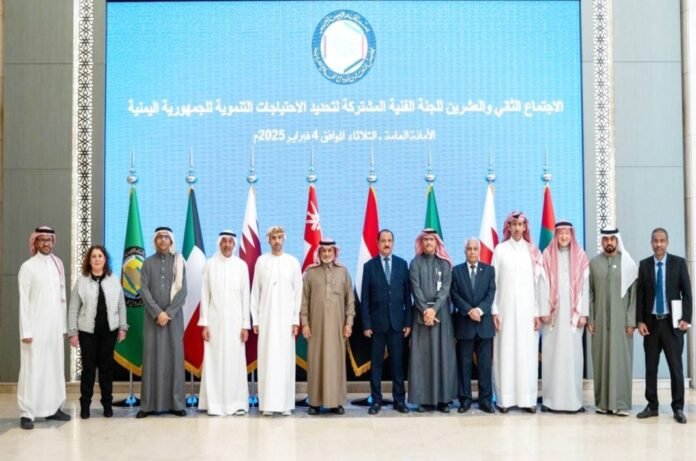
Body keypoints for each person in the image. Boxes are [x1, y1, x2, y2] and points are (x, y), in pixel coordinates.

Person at [491, 211, 547, 413]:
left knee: (527, 354)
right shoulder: (500, 250)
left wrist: (537, 312)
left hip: (528, 313)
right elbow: (493, 283)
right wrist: (494, 310)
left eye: (520, 224)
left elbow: (538, 284)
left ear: (525, 227)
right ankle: (504, 400)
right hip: (504, 311)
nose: (517, 228)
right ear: (509, 227)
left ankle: (527, 399)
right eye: (513, 224)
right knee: (505, 353)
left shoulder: (533, 252)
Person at [636, 228, 692, 424]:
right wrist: (640, 321)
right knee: (651, 367)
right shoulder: (644, 265)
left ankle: (678, 408)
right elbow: (640, 296)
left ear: (667, 243)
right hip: (651, 324)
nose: (658, 244)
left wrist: (686, 318)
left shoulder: (678, 263)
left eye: (662, 241)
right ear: (651, 243)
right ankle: (652, 406)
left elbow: (687, 293)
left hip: (672, 325)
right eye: (655, 241)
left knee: (676, 368)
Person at [17, 226, 71, 430]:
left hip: (55, 328)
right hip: (35, 328)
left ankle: (54, 408)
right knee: (32, 369)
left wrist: (63, 327)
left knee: (54, 367)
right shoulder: (27, 267)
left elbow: (62, 299)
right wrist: (26, 331)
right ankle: (27, 413)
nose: (46, 243)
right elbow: (23, 302)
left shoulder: (58, 264)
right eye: (42, 240)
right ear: (35, 242)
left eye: (49, 240)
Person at [68, 245, 128, 419]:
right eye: (93, 256)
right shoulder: (82, 281)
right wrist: (73, 332)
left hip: (109, 332)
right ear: (89, 260)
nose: (97, 259)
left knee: (106, 370)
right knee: (88, 370)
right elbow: (73, 308)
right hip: (87, 332)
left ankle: (107, 405)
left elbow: (121, 305)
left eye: (100, 256)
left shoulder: (113, 280)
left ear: (105, 259)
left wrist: (123, 327)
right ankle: (85, 406)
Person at [251, 226, 303, 416]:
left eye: (279, 237)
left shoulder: (292, 262)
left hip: (286, 322)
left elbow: (298, 293)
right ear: (268, 240)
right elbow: (255, 292)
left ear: (284, 239)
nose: (277, 241)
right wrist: (256, 319)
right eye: (273, 238)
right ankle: (267, 404)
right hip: (266, 320)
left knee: (285, 361)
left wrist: (295, 320)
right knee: (267, 360)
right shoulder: (261, 261)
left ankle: (285, 404)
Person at [137, 226, 188, 418]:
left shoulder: (179, 263)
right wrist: (158, 313)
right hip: (153, 320)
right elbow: (143, 290)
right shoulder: (147, 263)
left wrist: (169, 313)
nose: (163, 240)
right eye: (160, 237)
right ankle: (147, 406)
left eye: (166, 237)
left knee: (175, 359)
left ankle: (177, 404)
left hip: (174, 319)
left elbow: (183, 291)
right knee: (151, 359)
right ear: (155, 241)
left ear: (171, 240)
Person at [360, 229, 412, 415]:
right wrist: (366, 324)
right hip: (377, 325)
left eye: (390, 240)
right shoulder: (369, 266)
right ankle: (376, 400)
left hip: (397, 324)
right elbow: (365, 298)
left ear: (393, 243)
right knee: (376, 366)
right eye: (383, 240)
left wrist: (408, 322)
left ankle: (399, 400)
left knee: (398, 364)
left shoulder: (402, 264)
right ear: (378, 243)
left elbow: (407, 296)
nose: (387, 243)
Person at [198, 231, 250, 416]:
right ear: (219, 243)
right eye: (224, 241)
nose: (227, 245)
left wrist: (245, 325)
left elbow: (245, 296)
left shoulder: (241, 266)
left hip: (236, 324)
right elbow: (205, 295)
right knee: (215, 362)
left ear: (234, 244)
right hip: (214, 323)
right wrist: (205, 323)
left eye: (230, 242)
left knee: (235, 362)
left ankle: (236, 404)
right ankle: (214, 404)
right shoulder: (210, 265)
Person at [301, 239, 355, 415]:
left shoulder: (343, 272)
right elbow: (304, 301)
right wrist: (305, 323)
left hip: (338, 327)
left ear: (335, 253)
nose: (326, 254)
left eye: (329, 251)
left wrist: (349, 323)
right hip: (315, 327)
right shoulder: (310, 273)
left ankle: (336, 402)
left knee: (335, 363)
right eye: (323, 251)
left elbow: (350, 300)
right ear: (319, 253)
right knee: (316, 362)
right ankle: (314, 402)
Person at [540, 221, 589, 413]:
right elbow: (542, 284)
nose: (564, 237)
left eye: (567, 233)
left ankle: (574, 402)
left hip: (573, 317)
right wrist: (544, 310)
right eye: (560, 233)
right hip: (553, 316)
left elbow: (585, 286)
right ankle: (550, 401)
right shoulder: (546, 255)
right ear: (556, 235)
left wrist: (583, 313)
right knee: (552, 357)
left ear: (572, 235)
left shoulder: (581, 256)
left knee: (573, 357)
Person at [588, 226, 638, 416]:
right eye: (606, 239)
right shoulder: (594, 264)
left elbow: (634, 296)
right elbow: (590, 294)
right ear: (602, 242)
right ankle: (602, 403)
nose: (609, 242)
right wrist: (591, 318)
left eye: (612, 239)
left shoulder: (628, 264)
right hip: (600, 321)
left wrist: (631, 320)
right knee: (601, 359)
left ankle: (621, 404)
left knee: (621, 361)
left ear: (617, 240)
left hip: (622, 323)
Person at [408, 228, 457, 413]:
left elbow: (445, 289)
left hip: (441, 316)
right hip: (421, 316)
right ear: (421, 242)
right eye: (425, 240)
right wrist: (426, 310)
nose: (428, 243)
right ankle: (423, 400)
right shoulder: (415, 263)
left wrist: (434, 309)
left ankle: (444, 399)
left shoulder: (444, 264)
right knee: (422, 359)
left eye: (431, 240)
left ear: (437, 243)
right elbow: (415, 289)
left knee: (443, 356)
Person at [450, 238, 496, 414]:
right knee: (464, 365)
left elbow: (491, 293)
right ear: (465, 251)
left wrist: (479, 310)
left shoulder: (489, 270)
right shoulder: (456, 271)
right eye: (469, 249)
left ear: (479, 251)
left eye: (475, 249)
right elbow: (454, 294)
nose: (472, 252)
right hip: (465, 324)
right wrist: (469, 310)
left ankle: (485, 401)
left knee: (485, 366)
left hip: (484, 324)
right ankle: (465, 400)